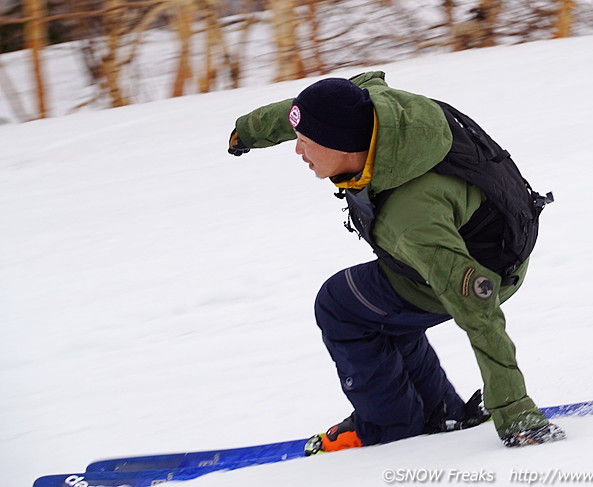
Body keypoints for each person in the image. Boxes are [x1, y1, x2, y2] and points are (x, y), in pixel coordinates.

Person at [227, 71, 565, 452]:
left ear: (340, 145)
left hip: (480, 270)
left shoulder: (411, 218)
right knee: (378, 309)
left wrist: (515, 411)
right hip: (480, 241)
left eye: (306, 142)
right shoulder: (378, 109)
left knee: (340, 306)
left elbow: (478, 310)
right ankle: (442, 411)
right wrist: (250, 131)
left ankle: (389, 427)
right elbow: (323, 105)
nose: (298, 151)